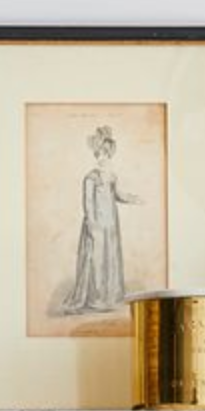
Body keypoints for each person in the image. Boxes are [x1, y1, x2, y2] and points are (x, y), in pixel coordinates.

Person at [54, 126, 139, 318]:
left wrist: (133, 198)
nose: (104, 158)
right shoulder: (90, 177)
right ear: (96, 154)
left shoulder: (112, 176)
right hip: (97, 225)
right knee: (97, 260)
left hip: (111, 225)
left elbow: (117, 195)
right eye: (101, 154)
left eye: (107, 155)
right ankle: (96, 298)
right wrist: (92, 224)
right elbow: (88, 204)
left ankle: (110, 296)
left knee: (110, 258)